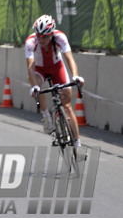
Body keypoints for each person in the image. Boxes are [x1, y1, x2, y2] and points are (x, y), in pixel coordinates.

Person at [26, 15, 84, 147]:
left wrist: (75, 76)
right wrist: (34, 86)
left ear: (51, 34)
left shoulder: (60, 37)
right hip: (40, 70)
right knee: (37, 87)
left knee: (67, 106)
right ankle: (46, 115)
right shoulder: (30, 42)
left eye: (45, 36)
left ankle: (78, 145)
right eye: (38, 35)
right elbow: (30, 67)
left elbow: (69, 58)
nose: (41, 39)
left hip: (57, 68)